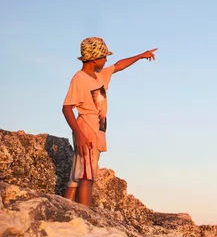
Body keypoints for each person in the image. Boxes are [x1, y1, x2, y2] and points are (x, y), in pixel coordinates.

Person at [62, 37, 157, 206]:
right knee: (86, 177)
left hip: (96, 129)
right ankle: (86, 217)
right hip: (87, 129)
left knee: (77, 176)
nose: (106, 60)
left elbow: (119, 65)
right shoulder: (80, 78)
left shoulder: (99, 75)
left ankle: (65, 213)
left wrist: (140, 56)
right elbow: (67, 108)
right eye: (103, 57)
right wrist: (79, 135)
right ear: (93, 59)